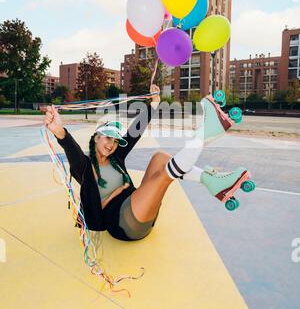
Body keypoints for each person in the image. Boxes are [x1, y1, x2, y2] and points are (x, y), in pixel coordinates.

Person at [43, 85, 253, 241]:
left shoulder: (116, 157)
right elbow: (70, 148)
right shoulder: (84, 167)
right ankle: (204, 134)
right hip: (123, 224)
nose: (111, 145)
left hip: (140, 208)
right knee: (163, 176)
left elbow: (135, 131)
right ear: (96, 137)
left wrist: (153, 104)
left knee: (160, 157)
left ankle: (210, 181)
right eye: (107, 138)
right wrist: (59, 131)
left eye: (115, 141)